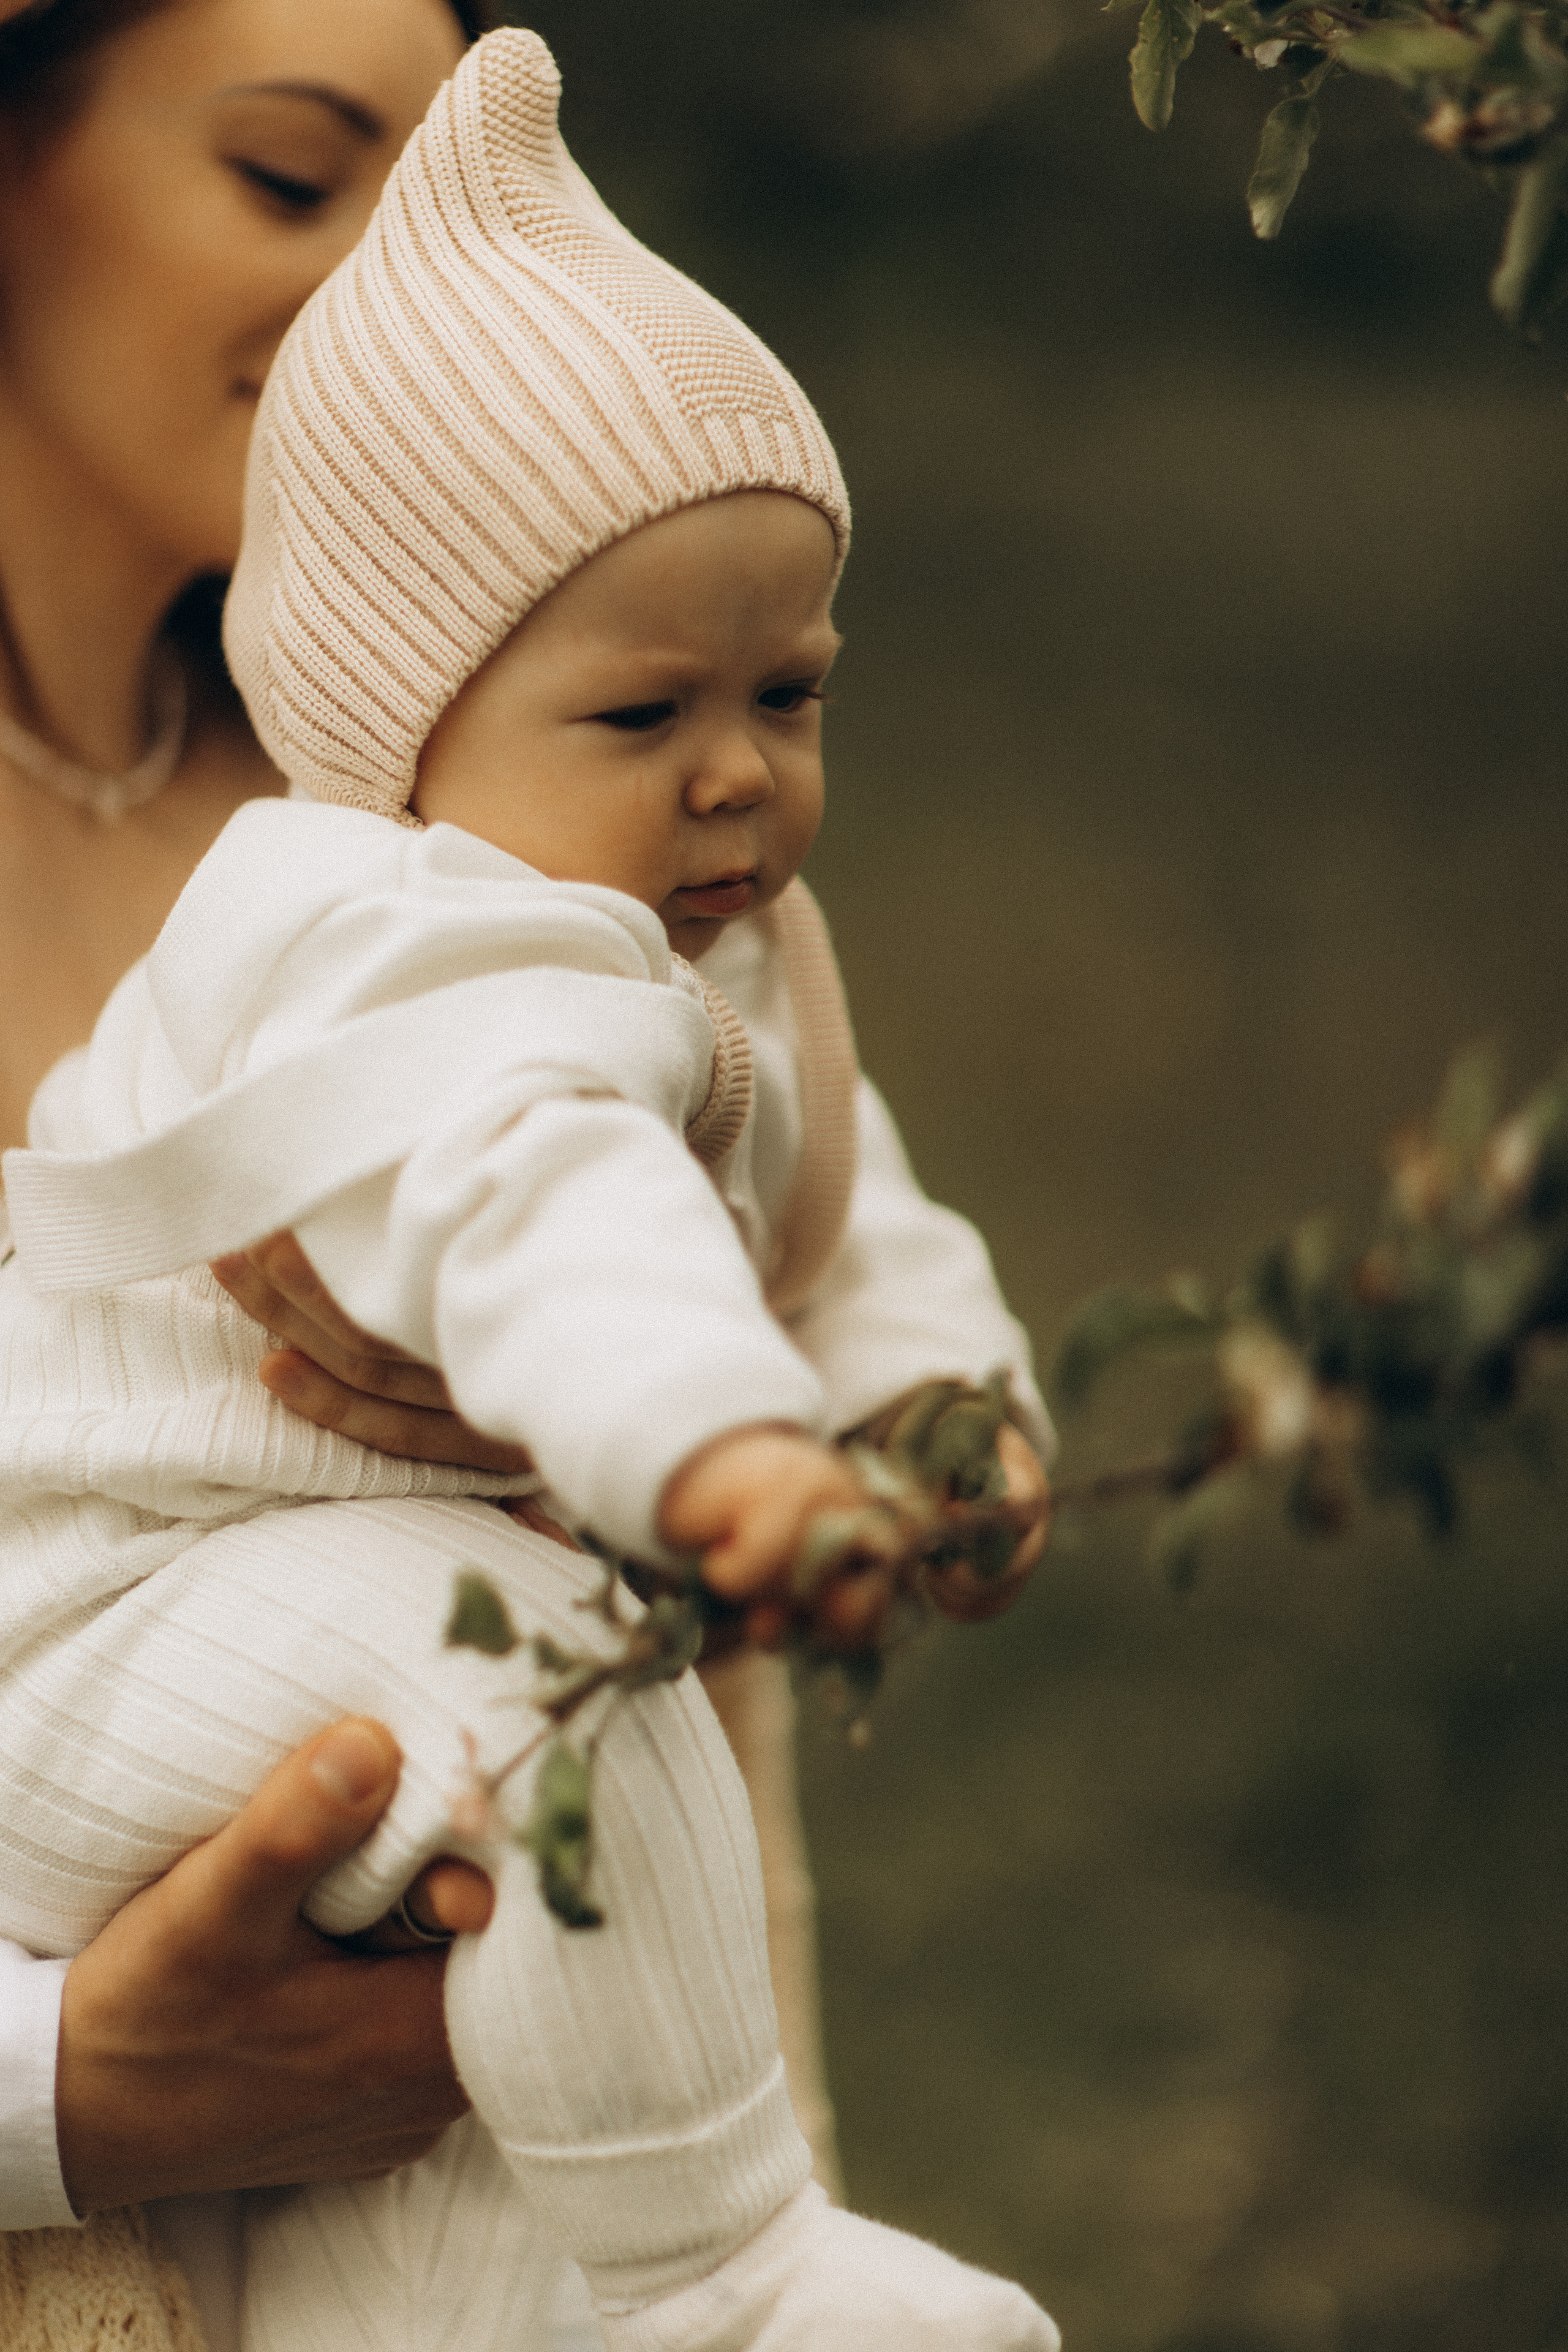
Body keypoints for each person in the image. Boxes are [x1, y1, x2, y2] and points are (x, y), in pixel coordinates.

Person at [0, 25, 1058, 2352]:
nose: (399, 279)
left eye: (795, 695)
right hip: (106, 1684)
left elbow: (827, 1204)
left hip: (513, 2010)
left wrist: (936, 1416)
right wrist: (59, 2087)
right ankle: (729, 2269)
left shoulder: (613, 801)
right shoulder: (408, 911)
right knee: (504, 1672)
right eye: (295, 175)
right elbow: (545, 1189)